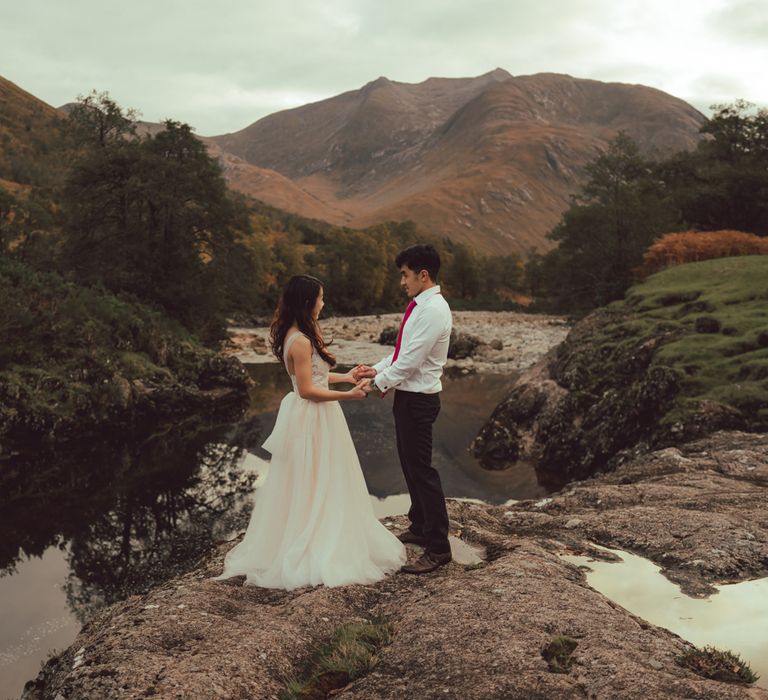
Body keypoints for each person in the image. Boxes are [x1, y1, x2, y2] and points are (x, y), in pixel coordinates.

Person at [212, 274, 406, 589]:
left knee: (318, 478)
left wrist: (344, 377)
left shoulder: (301, 333)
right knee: (315, 478)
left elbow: (316, 377)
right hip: (312, 416)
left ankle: (319, 530)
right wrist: (350, 395)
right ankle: (313, 540)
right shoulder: (300, 340)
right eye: (320, 298)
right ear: (307, 301)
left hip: (316, 414)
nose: (323, 302)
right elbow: (306, 390)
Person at [355, 244, 453, 574]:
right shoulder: (419, 307)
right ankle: (421, 525)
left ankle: (439, 547)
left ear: (423, 275)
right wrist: (375, 369)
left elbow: (410, 362)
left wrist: (375, 384)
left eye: (405, 275)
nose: (402, 282)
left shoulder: (434, 310)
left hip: (420, 400)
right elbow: (400, 354)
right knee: (410, 465)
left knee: (422, 470)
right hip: (408, 398)